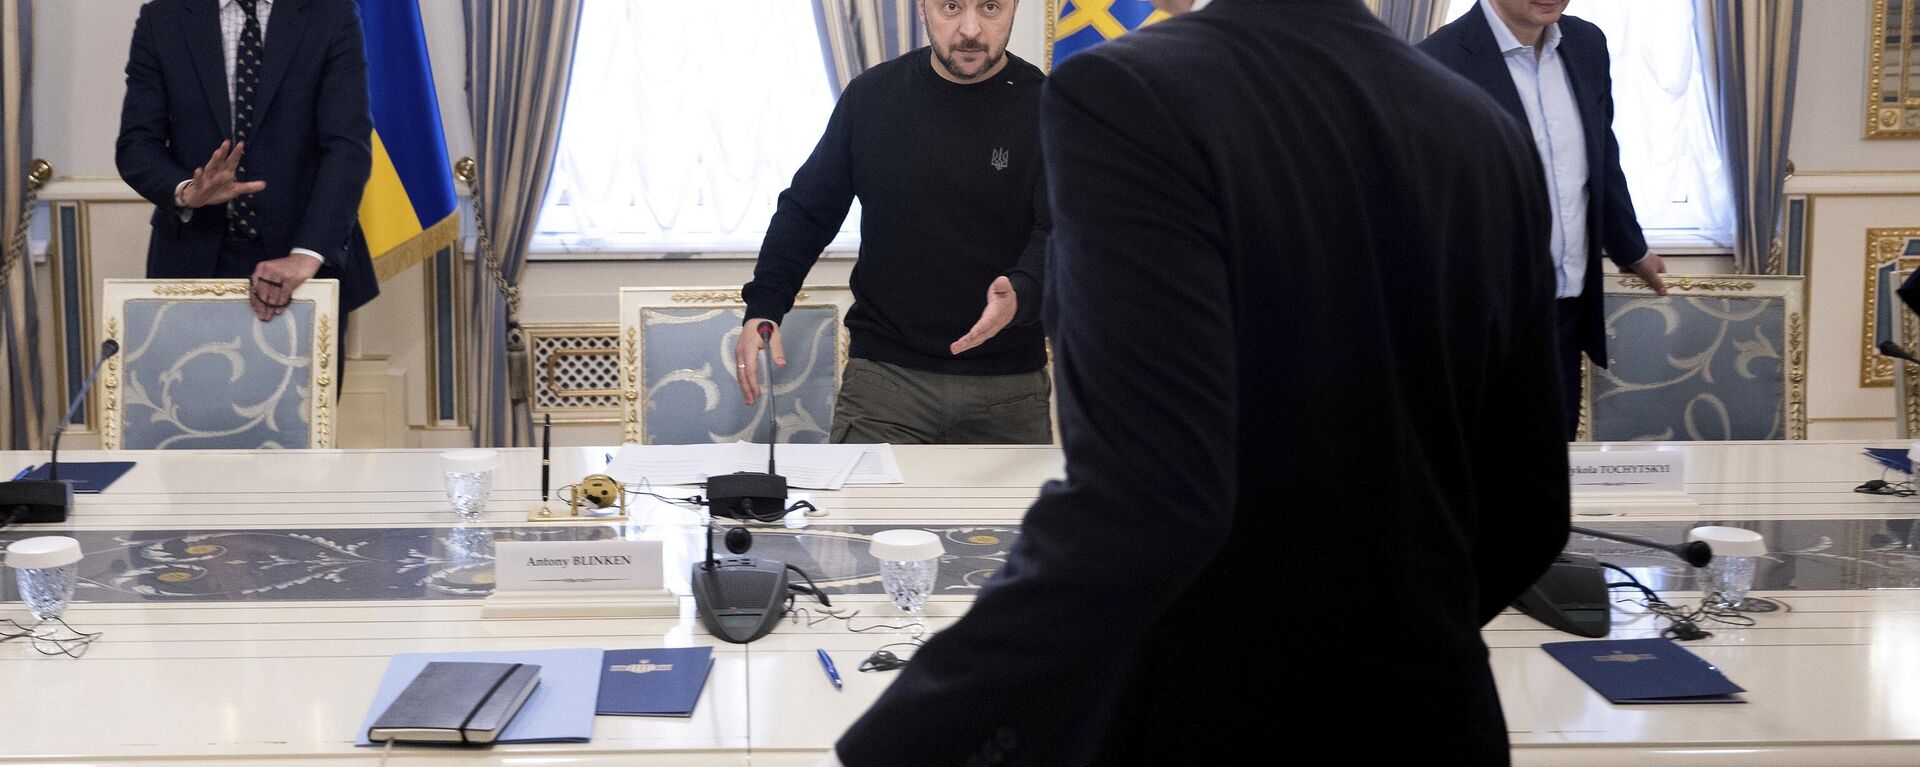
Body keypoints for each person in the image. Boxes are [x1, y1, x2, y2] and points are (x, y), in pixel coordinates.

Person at [824, 0, 1570, 764]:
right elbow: (1533, 508)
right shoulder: (1484, 126)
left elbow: (1151, 501)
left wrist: (907, 738)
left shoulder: (1126, 95)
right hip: (1434, 718)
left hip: (1211, 713)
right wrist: (1394, 628)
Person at [735, 0, 1051, 445]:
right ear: (923, 8)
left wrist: (1023, 290)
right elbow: (808, 210)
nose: (970, 29)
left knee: (1011, 519)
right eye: (951, 7)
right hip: (885, 384)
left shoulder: (1047, 106)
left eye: (990, 7)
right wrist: (765, 305)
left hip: (1008, 387)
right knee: (868, 518)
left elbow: (1062, 232)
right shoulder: (872, 97)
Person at [1420, 0, 1667, 439]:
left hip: (1565, 312)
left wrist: (1631, 246)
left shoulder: (1587, 44)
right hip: (1482, 323)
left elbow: (1601, 156)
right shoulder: (1437, 61)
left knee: (1551, 472)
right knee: (1484, 481)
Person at [117, 0, 378, 328]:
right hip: (192, 261)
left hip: (302, 264)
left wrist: (306, 255)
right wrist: (186, 191)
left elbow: (347, 147)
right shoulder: (163, 17)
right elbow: (136, 145)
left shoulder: (330, 13)